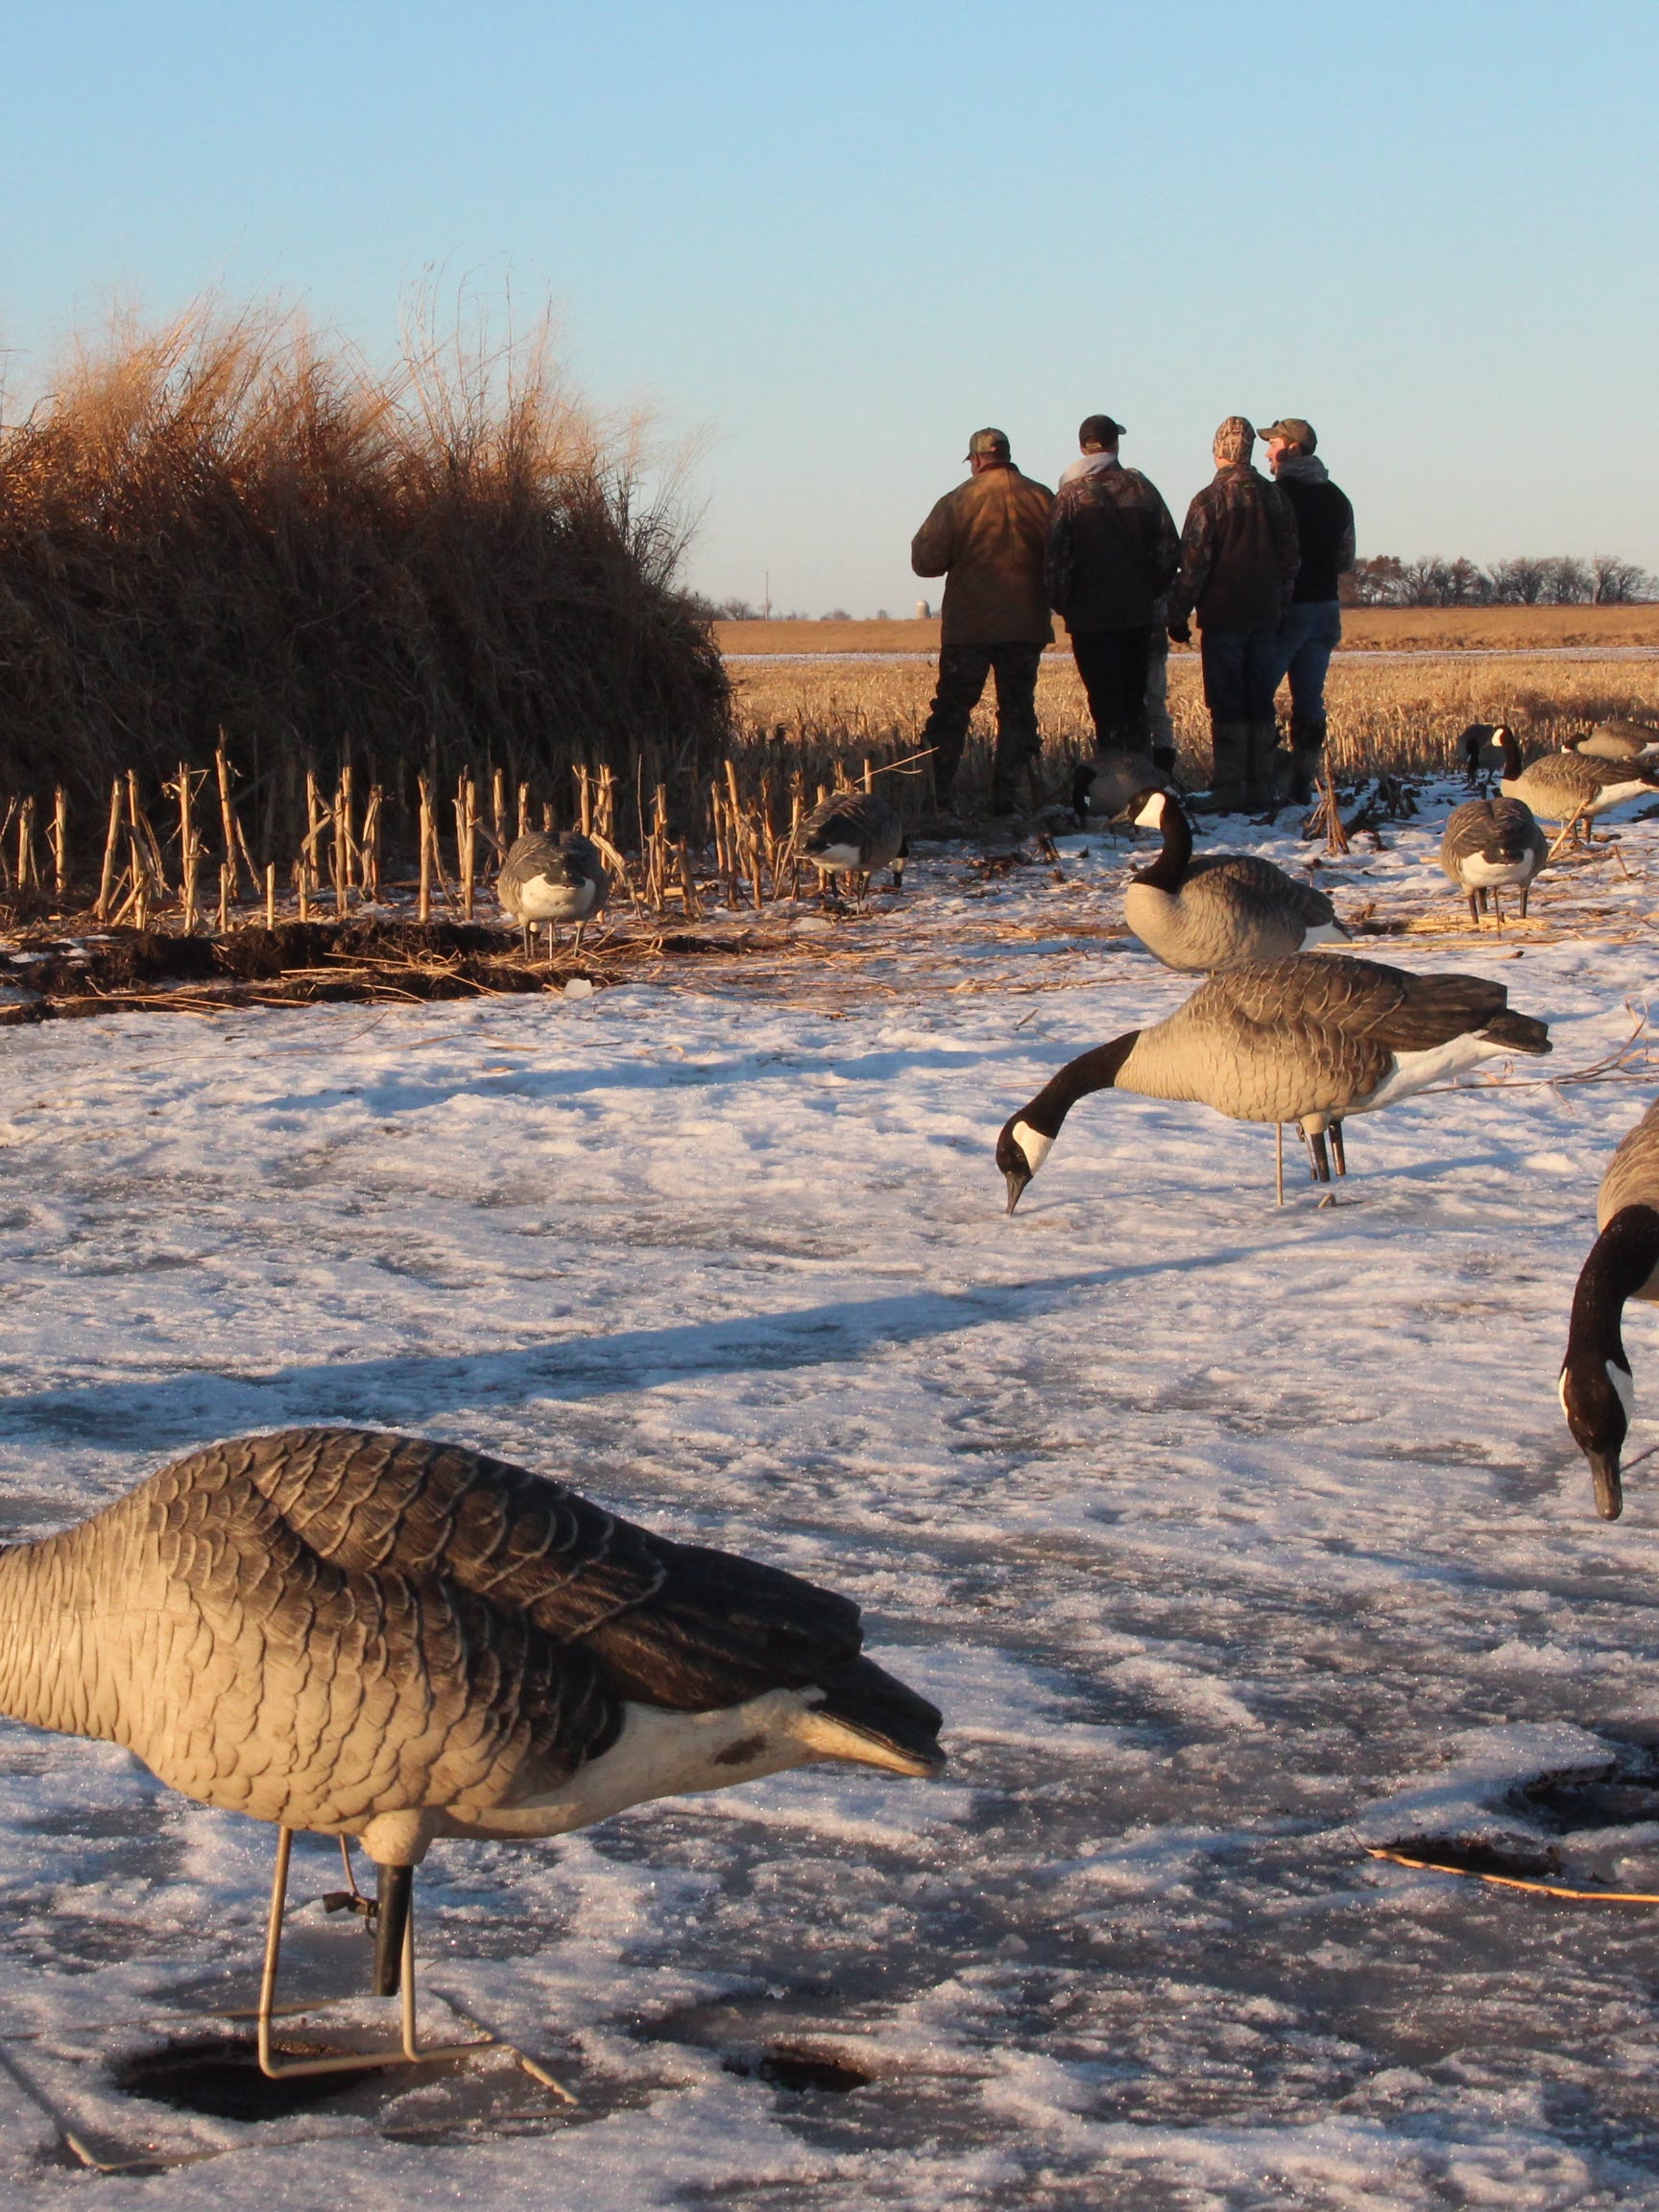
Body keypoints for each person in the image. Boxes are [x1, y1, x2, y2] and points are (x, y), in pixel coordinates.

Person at [911, 429, 1055, 813]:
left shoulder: (957, 501)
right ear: (1006, 456)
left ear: (975, 460)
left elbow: (925, 563)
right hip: (1025, 628)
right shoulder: (1042, 498)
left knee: (952, 711)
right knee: (1018, 710)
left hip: (968, 631)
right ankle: (1006, 801)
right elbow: (1064, 559)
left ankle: (938, 798)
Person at [1166, 417, 1299, 813]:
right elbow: (1291, 561)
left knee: (1226, 702)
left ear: (1219, 450)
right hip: (1265, 617)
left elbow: (1193, 564)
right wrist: (1281, 605)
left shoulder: (1209, 500)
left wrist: (1178, 613)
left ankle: (1229, 787)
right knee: (1259, 699)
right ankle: (1260, 787)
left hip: (1223, 617)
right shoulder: (1277, 498)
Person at [1046, 414, 1180, 775]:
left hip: (1090, 622)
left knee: (1104, 704)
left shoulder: (1068, 496)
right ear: (1114, 445)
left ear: (1081, 447)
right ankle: (1143, 779)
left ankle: (1114, 779)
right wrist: (1149, 591)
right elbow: (1171, 550)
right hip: (1137, 618)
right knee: (1135, 702)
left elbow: (1055, 562)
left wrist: (1066, 605)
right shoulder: (1141, 488)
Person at [1260, 417, 1356, 803]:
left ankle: (1261, 779)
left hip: (1288, 609)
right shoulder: (1337, 497)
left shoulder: (1275, 496)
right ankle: (1303, 780)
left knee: (1258, 694)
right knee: (1310, 701)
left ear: (1292, 448)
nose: (1267, 450)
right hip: (1326, 607)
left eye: (1274, 443)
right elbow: (1345, 558)